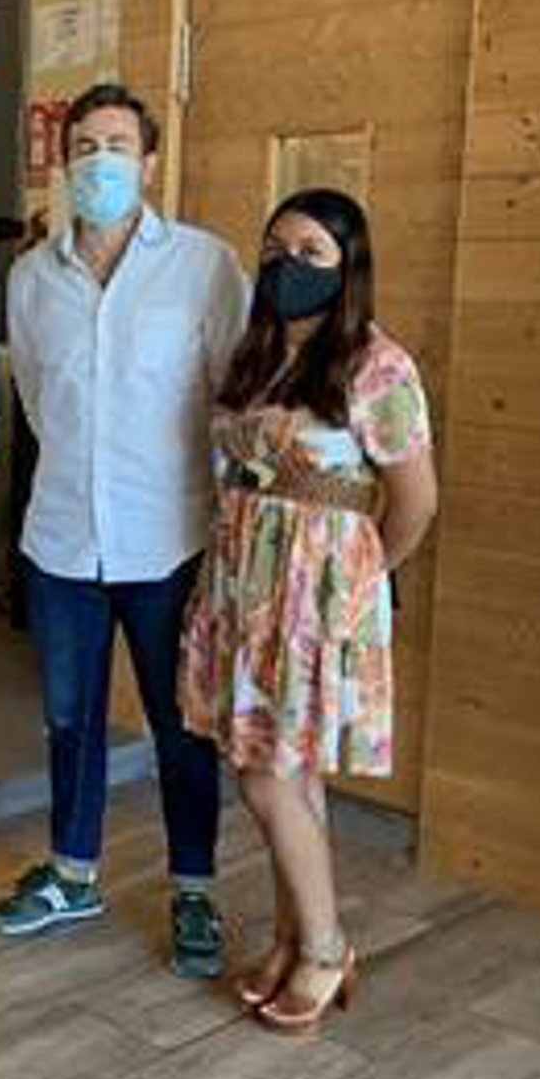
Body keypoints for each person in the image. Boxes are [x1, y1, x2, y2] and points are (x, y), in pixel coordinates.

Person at [0, 82, 250, 979]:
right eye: (84, 147)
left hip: (169, 537)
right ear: (64, 165)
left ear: (149, 163)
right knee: (69, 717)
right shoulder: (32, 277)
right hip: (62, 535)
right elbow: (36, 398)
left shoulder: (205, 266)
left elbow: (234, 398)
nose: (98, 161)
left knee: (182, 725)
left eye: (117, 146)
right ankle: (72, 872)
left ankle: (194, 887)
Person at [179, 188, 438, 1032]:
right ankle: (293, 939)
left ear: (347, 267)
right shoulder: (256, 354)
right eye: (275, 248)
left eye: (310, 252)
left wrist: (360, 584)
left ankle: (327, 948)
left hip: (316, 603)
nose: (287, 265)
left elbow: (416, 501)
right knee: (291, 775)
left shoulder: (376, 365)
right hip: (242, 588)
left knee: (264, 772)